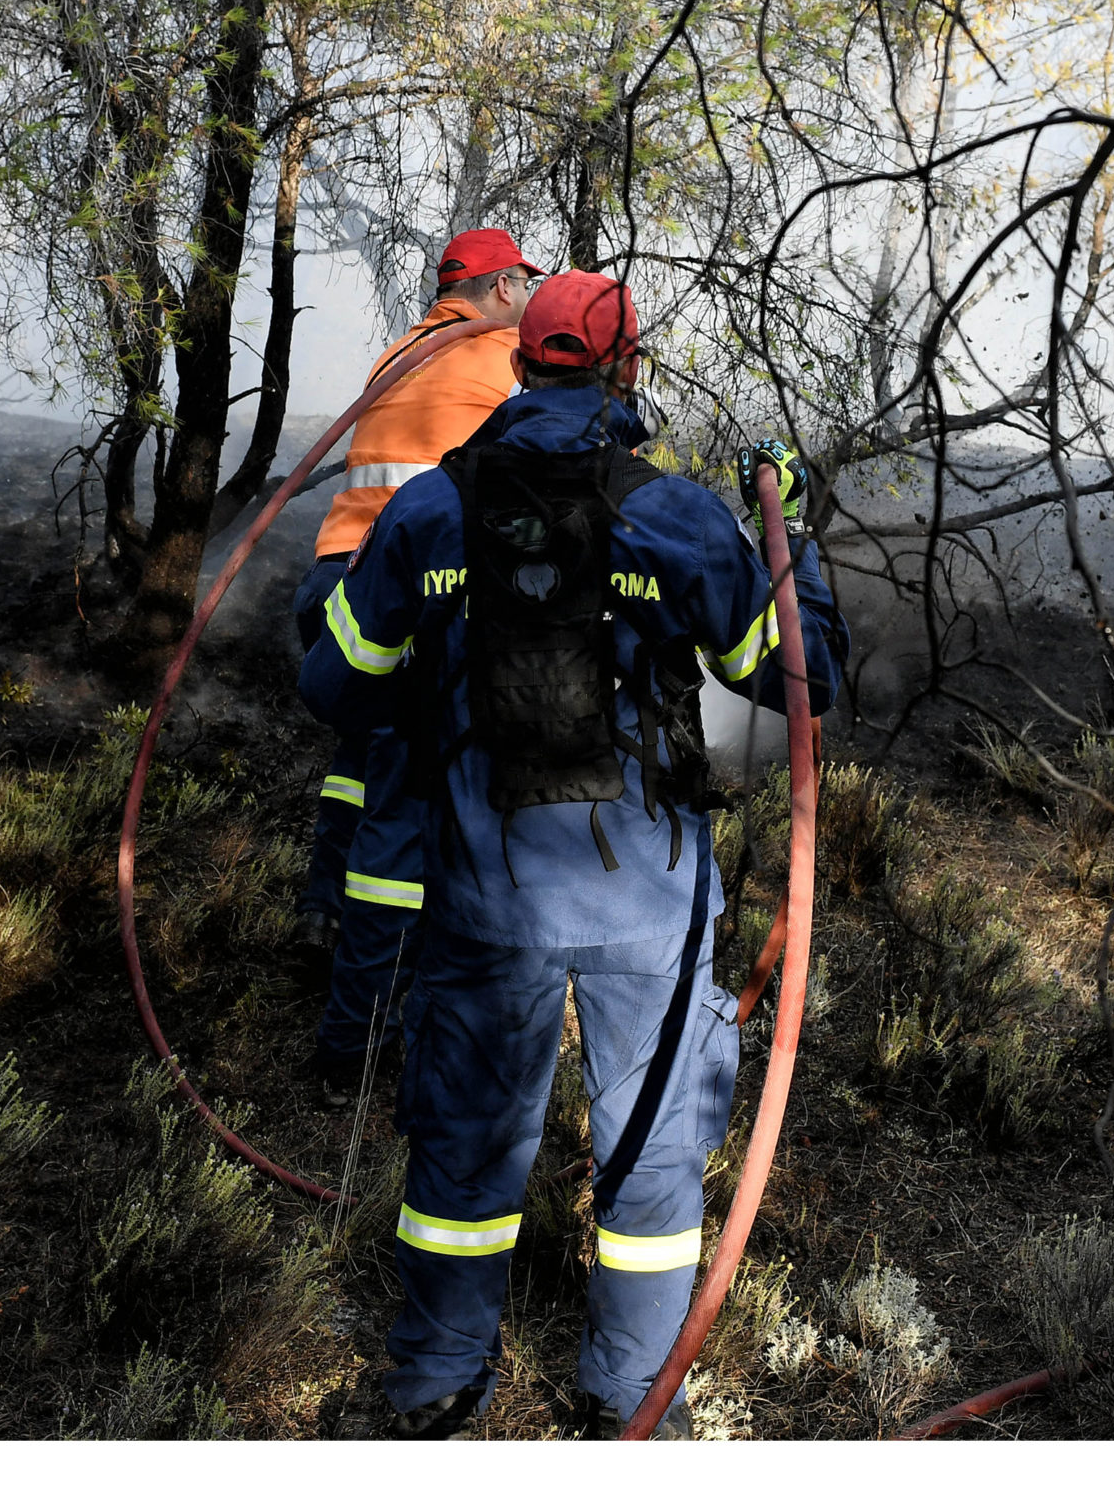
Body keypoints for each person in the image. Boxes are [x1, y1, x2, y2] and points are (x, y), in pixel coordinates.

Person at [299, 269, 848, 1439]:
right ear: (624, 368)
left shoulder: (432, 513)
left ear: (518, 362)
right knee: (650, 1158)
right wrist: (789, 531)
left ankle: (438, 1382)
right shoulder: (680, 515)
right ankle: (629, 1397)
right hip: (647, 899)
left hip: (485, 896)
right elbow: (801, 683)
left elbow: (335, 682)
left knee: (462, 1148)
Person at [291, 228, 541, 1109]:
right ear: (502, 287)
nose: (531, 300)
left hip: (334, 582)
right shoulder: (508, 354)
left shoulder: (401, 351)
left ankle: (323, 909)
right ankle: (350, 1050)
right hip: (405, 587)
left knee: (361, 762)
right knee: (401, 832)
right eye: (527, 285)